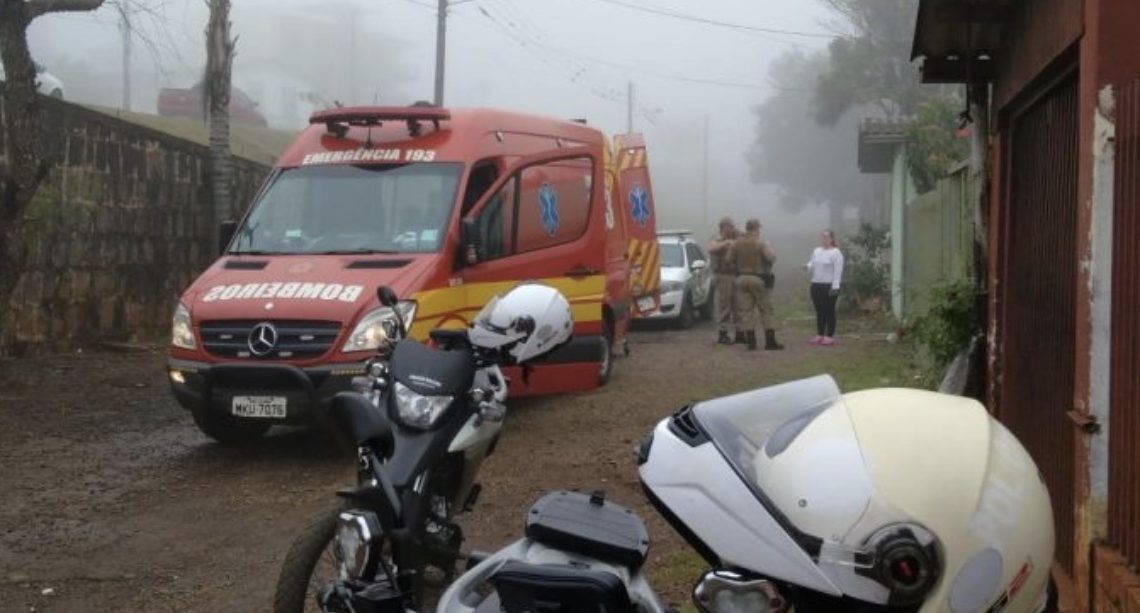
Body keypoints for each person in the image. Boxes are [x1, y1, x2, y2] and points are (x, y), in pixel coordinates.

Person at [728, 218, 784, 351]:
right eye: (759, 229)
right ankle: (770, 342)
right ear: (756, 229)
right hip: (758, 279)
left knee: (746, 311)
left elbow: (728, 260)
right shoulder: (761, 243)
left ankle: (751, 343)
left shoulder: (736, 243)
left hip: (741, 279)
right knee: (766, 310)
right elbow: (772, 258)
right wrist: (769, 246)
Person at [806, 229, 844, 346]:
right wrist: (807, 266)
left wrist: (835, 286)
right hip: (816, 284)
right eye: (822, 237)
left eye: (827, 237)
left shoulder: (836, 253)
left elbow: (838, 271)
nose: (824, 239)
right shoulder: (817, 251)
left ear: (832, 239)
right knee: (819, 310)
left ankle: (829, 336)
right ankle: (820, 334)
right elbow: (812, 263)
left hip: (829, 285)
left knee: (829, 310)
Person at [707, 217, 742, 345]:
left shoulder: (737, 237)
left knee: (739, 306)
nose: (732, 228)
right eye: (730, 226)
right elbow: (711, 249)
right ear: (723, 227)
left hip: (736, 275)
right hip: (723, 276)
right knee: (724, 305)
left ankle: (740, 333)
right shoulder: (717, 239)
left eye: (733, 226)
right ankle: (723, 334)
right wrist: (726, 243)